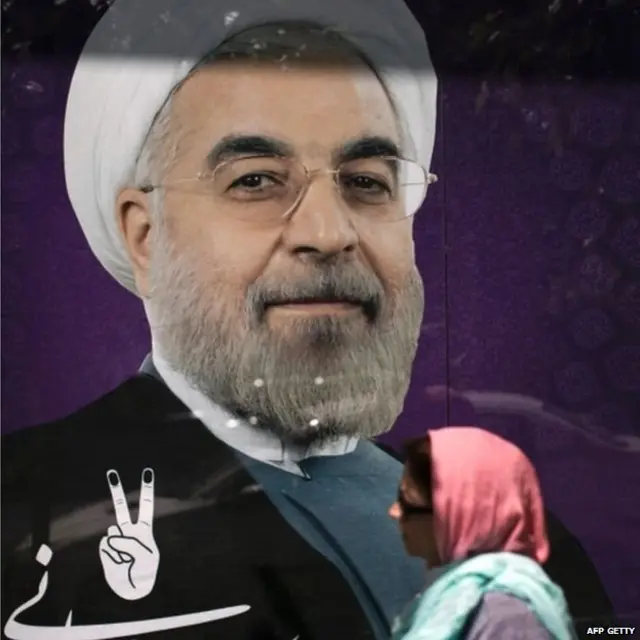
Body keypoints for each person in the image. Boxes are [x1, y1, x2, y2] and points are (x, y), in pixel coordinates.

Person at [1, 0, 611, 638]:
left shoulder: (518, 552)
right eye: (256, 180)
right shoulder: (25, 503)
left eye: (367, 182)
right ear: (146, 236)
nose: (328, 232)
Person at [388, 427, 578, 640]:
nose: (394, 511)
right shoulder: (454, 595)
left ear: (460, 515)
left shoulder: (506, 617)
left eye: (408, 502)